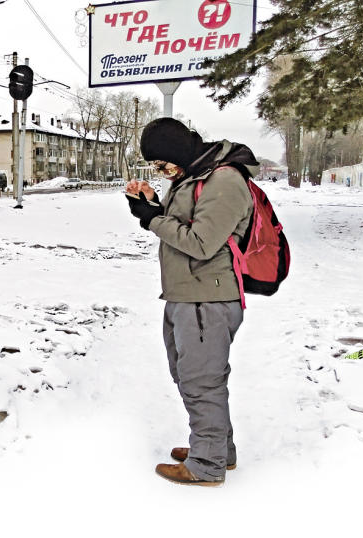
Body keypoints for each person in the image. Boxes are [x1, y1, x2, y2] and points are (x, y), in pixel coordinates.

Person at [125, 118, 257, 486]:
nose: (161, 171)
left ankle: (206, 465)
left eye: (163, 163)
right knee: (192, 376)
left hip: (207, 298)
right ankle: (216, 448)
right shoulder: (196, 176)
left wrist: (153, 220)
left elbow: (201, 243)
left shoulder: (225, 180)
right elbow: (182, 222)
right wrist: (151, 205)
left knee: (201, 381)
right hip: (188, 294)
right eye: (155, 166)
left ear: (179, 151)